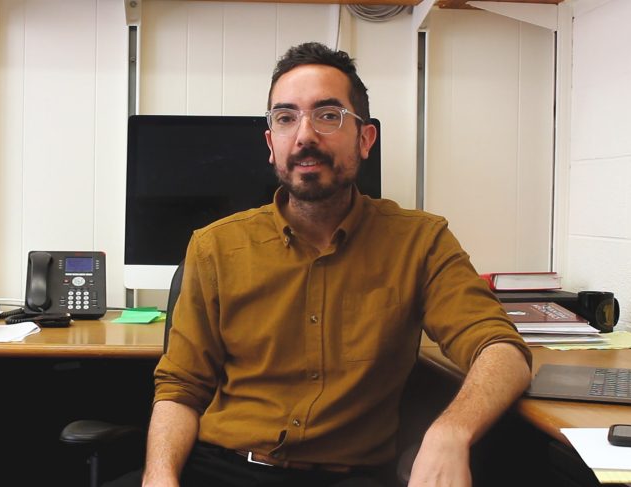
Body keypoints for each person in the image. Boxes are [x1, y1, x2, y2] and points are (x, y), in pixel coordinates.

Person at [111, 42, 531, 487]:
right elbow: (181, 388)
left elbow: (503, 352)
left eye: (328, 115)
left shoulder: (420, 242)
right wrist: (160, 475)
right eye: (286, 118)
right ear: (271, 144)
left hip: (348, 476)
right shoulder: (215, 247)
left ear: (364, 139)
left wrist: (451, 433)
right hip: (222, 467)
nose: (305, 135)